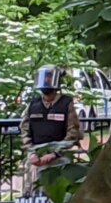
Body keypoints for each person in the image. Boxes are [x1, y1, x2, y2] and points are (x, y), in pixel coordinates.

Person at [21, 66, 84, 194]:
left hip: (59, 159)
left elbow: (73, 132)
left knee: (60, 195)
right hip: (35, 160)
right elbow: (24, 130)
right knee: (32, 198)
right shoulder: (33, 105)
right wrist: (32, 152)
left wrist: (55, 153)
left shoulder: (66, 103)